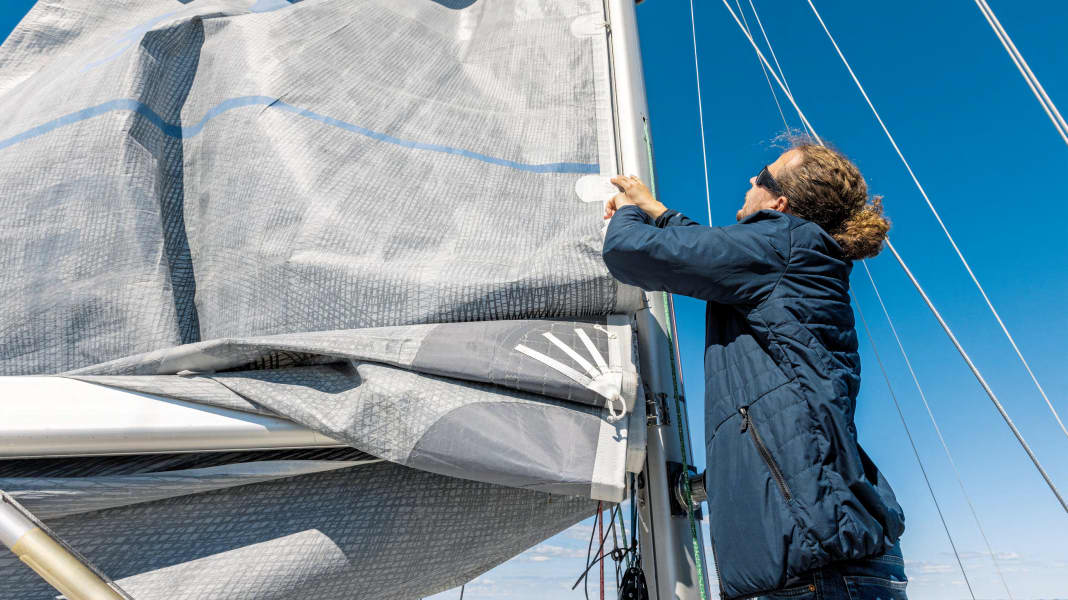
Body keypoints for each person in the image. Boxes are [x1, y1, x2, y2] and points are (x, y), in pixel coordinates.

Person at [602, 143, 907, 600]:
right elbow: (712, 252)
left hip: (814, 568)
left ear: (780, 203)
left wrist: (627, 213)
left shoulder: (784, 241)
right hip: (816, 564)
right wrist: (659, 211)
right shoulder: (788, 255)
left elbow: (631, 252)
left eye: (761, 175)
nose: (750, 181)